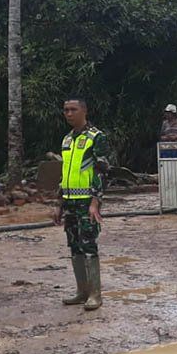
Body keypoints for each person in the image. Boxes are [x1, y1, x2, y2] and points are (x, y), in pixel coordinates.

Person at [53, 96, 109, 311]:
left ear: (84, 111)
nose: (68, 113)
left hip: (87, 201)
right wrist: (58, 203)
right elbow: (64, 173)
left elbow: (102, 172)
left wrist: (96, 202)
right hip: (69, 201)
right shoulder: (66, 140)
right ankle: (81, 291)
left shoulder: (96, 137)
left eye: (73, 109)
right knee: (74, 246)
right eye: (65, 110)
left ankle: (95, 294)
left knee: (89, 246)